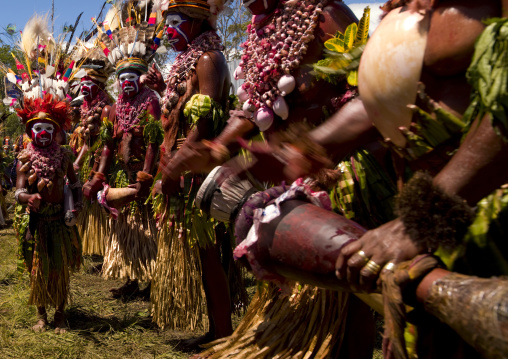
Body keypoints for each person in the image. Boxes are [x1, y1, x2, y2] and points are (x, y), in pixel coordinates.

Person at [143, 0, 236, 342]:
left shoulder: (209, 60)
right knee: (203, 252)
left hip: (198, 168)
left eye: (175, 22)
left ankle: (223, 335)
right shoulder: (190, 61)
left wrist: (175, 168)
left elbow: (205, 121)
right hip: (185, 163)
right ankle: (215, 331)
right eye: (167, 23)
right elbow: (178, 111)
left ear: (197, 23)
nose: (168, 30)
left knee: (210, 252)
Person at [83, 2, 162, 297]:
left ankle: (152, 281)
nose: (126, 83)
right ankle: (131, 279)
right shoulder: (113, 110)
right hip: (120, 177)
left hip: (142, 177)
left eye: (131, 78)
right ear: (116, 81)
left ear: (139, 78)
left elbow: (154, 141)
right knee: (126, 229)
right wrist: (98, 177)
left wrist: (145, 177)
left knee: (149, 231)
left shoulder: (150, 101)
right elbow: (106, 147)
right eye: (122, 79)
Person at [15, 94, 82, 333]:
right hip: (37, 222)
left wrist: (76, 206)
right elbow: (19, 191)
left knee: (60, 268)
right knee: (38, 269)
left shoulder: (64, 157)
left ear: (56, 132)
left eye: (48, 129)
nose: (43, 133)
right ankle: (42, 315)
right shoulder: (25, 158)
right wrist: (28, 198)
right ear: (31, 132)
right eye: (38, 128)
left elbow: (74, 185)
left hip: (59, 221)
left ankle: (60, 315)